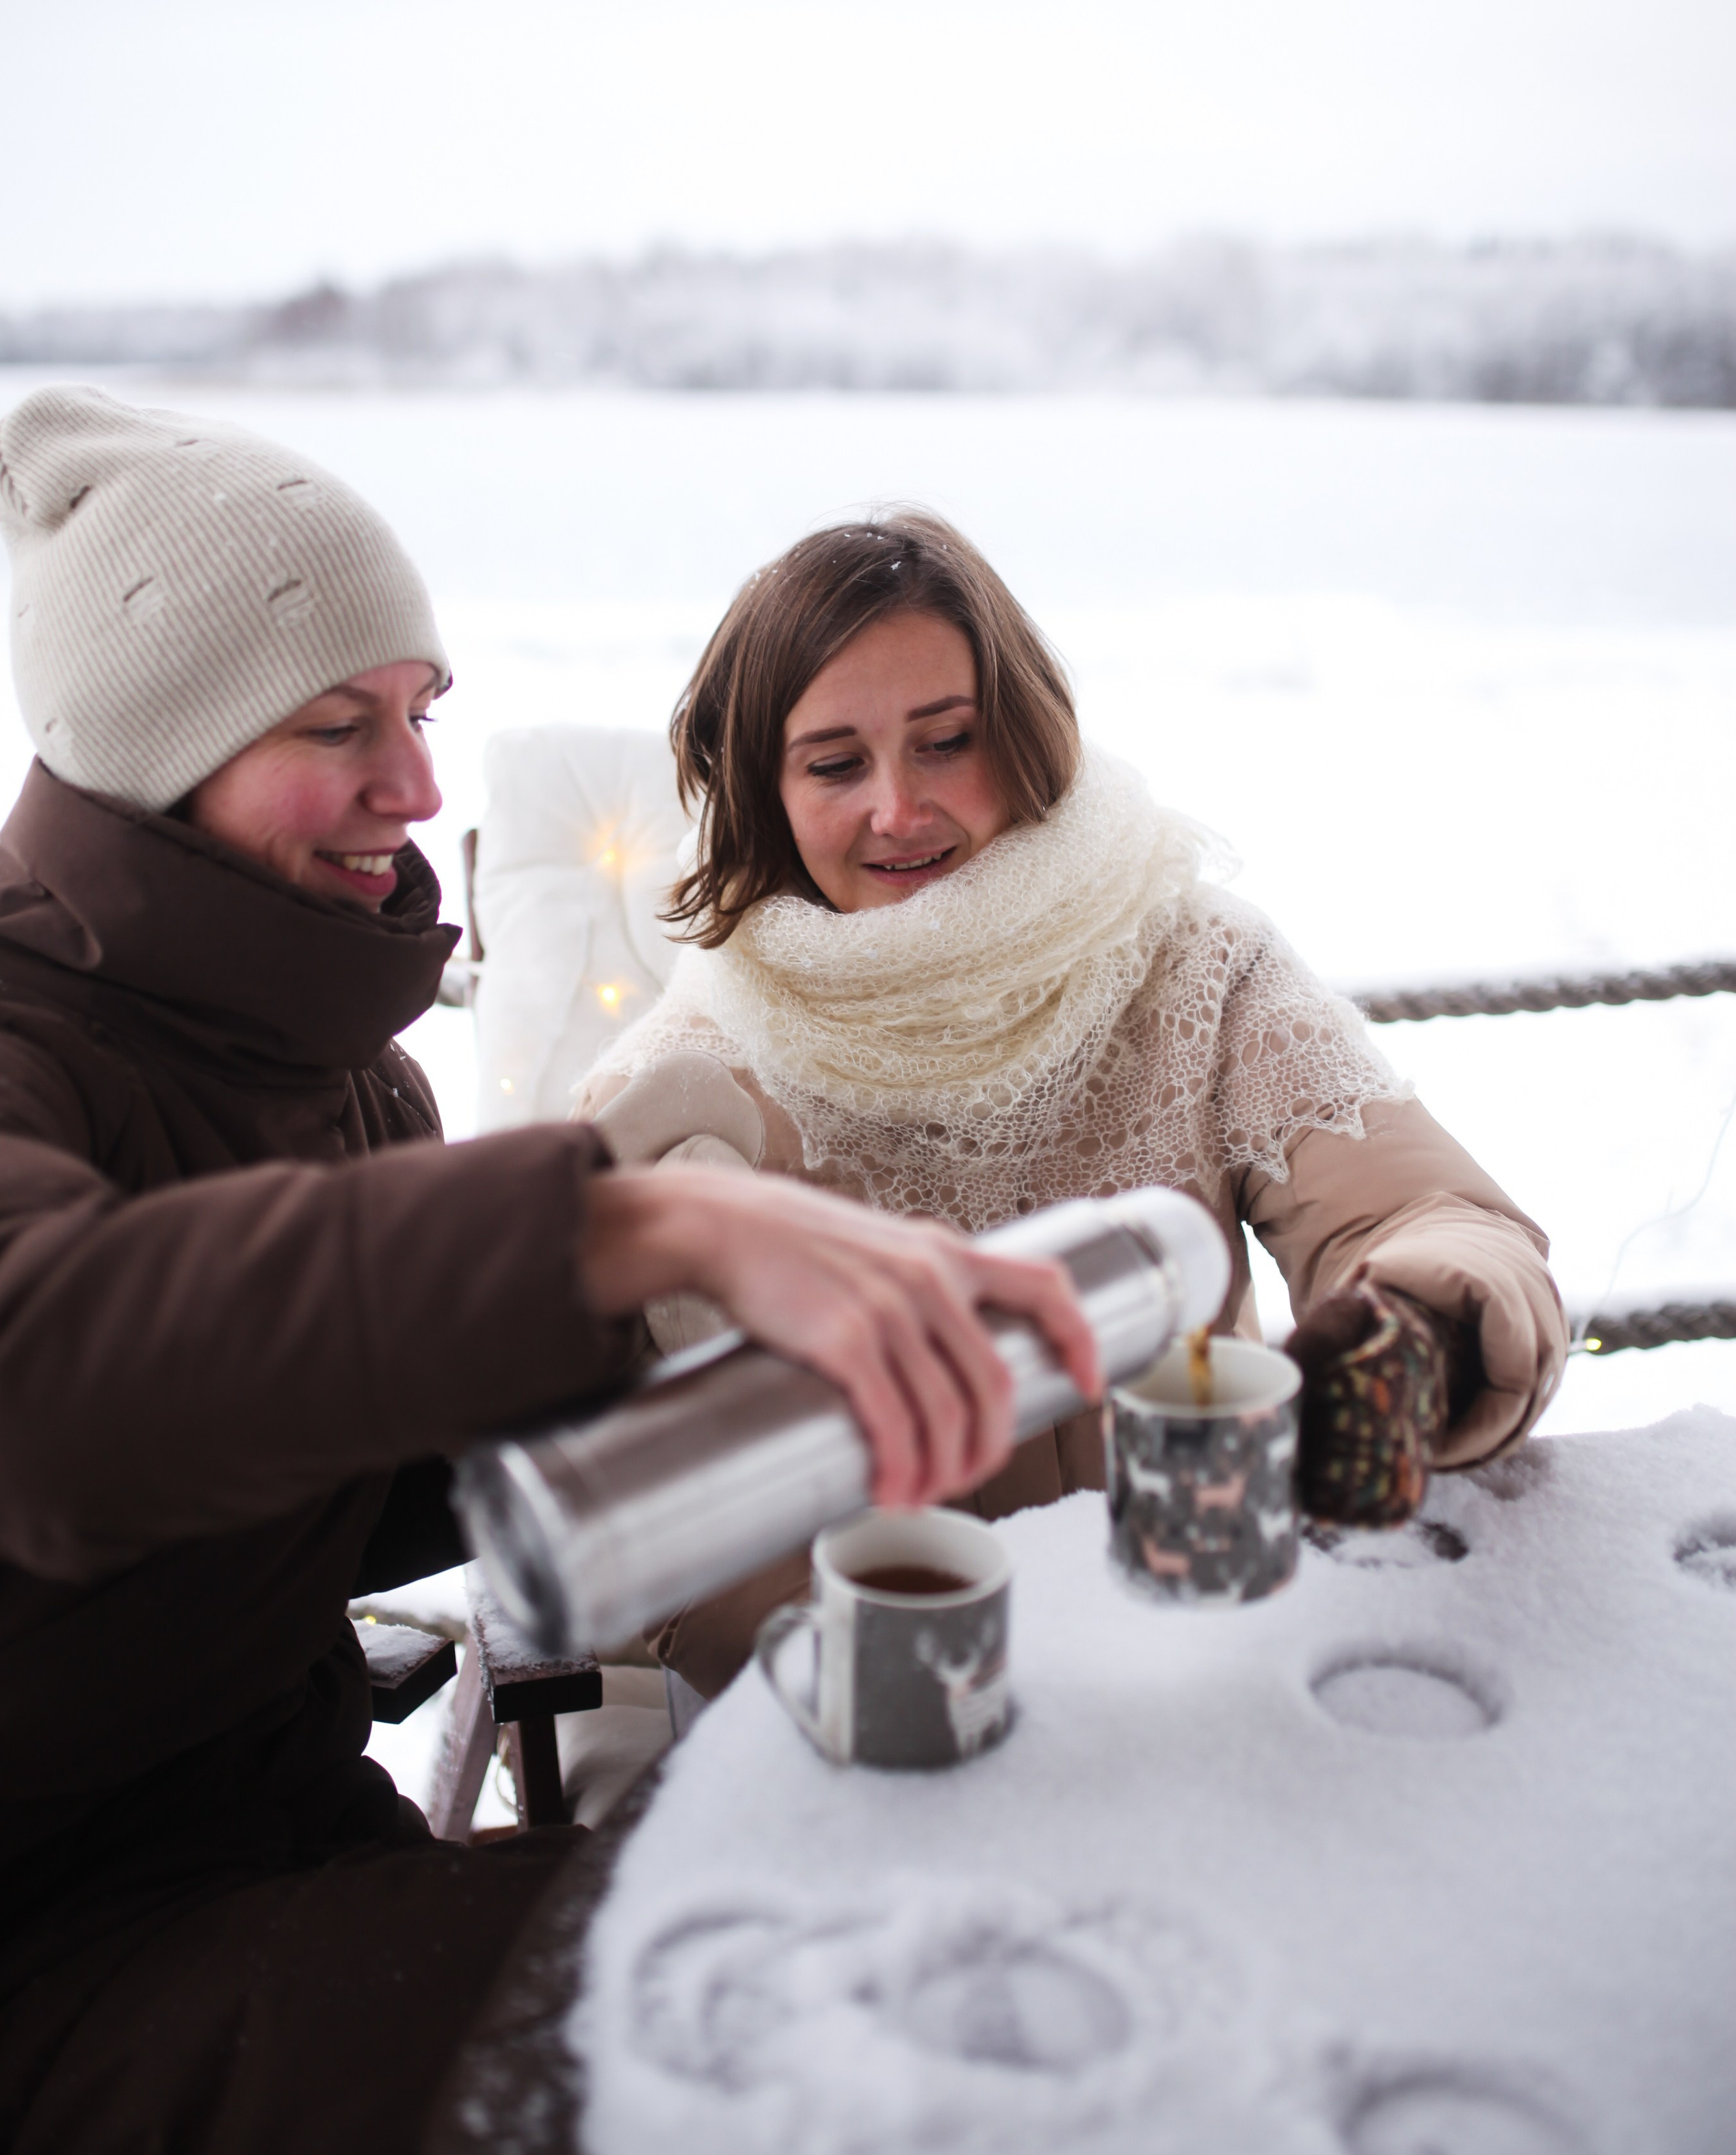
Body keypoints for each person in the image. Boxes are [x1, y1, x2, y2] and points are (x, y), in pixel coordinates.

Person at [0, 392, 1095, 2155]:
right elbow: (45, 1373)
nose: (420, 789)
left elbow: (345, 1487)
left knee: (876, 1958)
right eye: (336, 726)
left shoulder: (347, 1083)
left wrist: (704, 1383)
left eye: (419, 712)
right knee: (782, 2070)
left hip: (277, 1845)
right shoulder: (12, 1050)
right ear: (145, 751)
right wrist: (607, 1231)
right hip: (39, 1948)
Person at [577, 510, 1570, 1695]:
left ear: (1021, 730)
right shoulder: (682, 1096)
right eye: (836, 765)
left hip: (1222, 1656)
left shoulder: (1196, 966)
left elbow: (1421, 1213)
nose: (899, 808)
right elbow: (667, 1534)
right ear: (764, 790)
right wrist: (898, 1668)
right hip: (910, 1719)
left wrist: (1414, 1333)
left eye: (946, 742)